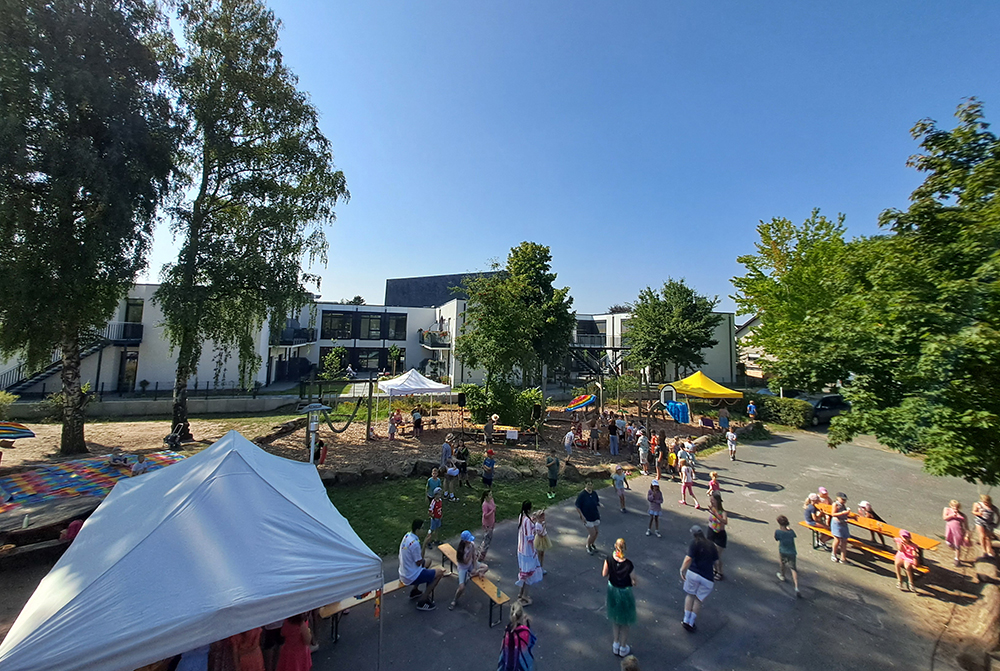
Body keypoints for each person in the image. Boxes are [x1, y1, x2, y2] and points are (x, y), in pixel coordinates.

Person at [679, 525, 719, 632]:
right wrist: (716, 571)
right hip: (707, 577)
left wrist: (682, 570)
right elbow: (716, 561)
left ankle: (685, 619)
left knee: (690, 595)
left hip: (693, 573)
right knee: (698, 599)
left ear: (693, 534)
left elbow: (688, 558)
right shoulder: (711, 545)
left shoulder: (694, 543)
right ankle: (691, 622)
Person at [399, 519, 445, 611]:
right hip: (411, 576)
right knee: (439, 573)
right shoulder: (415, 544)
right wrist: (424, 544)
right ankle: (423, 600)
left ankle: (415, 590)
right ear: (417, 530)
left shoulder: (407, 536)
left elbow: (421, 560)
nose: (424, 530)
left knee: (429, 561)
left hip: (404, 571)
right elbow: (419, 562)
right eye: (422, 528)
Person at [604, 537, 637, 657]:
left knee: (616, 618)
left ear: (615, 546)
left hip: (612, 591)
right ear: (625, 548)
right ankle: (623, 647)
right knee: (625, 621)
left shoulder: (609, 558)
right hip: (625, 593)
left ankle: (615, 644)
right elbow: (634, 581)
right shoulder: (628, 564)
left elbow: (604, 573)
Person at [450, 530, 488, 610]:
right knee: (462, 587)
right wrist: (470, 552)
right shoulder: (462, 550)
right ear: (465, 541)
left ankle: (471, 575)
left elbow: (474, 557)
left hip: (471, 564)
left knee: (485, 567)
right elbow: (466, 561)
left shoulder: (472, 545)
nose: (470, 542)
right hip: (463, 567)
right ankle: (455, 600)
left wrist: (475, 568)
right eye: (468, 540)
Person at [515, 500, 543, 605]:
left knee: (524, 573)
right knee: (528, 575)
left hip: (521, 550)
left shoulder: (521, 516)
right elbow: (529, 537)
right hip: (528, 552)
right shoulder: (527, 521)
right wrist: (537, 527)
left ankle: (520, 593)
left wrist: (533, 519)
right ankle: (524, 596)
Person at [497, 601, 536, 671]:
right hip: (520, 666)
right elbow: (531, 642)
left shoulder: (508, 629)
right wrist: (527, 625)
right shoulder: (524, 631)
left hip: (508, 663)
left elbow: (503, 648)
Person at [774, 515, 801, 597]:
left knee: (782, 563)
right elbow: (794, 536)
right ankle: (796, 587)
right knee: (793, 568)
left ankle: (782, 575)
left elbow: (776, 538)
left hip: (783, 550)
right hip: (792, 551)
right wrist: (789, 529)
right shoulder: (791, 532)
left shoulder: (778, 532)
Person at [576, 480, 601, 554]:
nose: (590, 486)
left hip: (595, 516)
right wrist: (582, 516)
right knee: (592, 533)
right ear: (585, 485)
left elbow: (596, 502)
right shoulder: (582, 495)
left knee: (596, 532)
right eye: (588, 484)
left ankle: (592, 544)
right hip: (587, 517)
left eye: (591, 484)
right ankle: (588, 546)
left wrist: (599, 504)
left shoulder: (594, 493)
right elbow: (577, 506)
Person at [706, 493, 728, 579]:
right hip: (711, 532)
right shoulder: (712, 509)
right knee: (711, 553)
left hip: (720, 534)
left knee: (717, 555)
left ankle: (720, 572)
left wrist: (716, 515)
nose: (711, 502)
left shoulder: (723, 512)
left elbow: (725, 522)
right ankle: (715, 570)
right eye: (710, 500)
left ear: (718, 501)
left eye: (713, 500)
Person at [943, 499, 971, 566]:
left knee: (957, 545)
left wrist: (967, 535)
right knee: (948, 543)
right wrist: (952, 515)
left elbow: (966, 526)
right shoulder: (947, 510)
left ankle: (957, 559)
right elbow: (945, 518)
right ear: (950, 505)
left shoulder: (962, 515)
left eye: (957, 507)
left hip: (958, 531)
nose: (955, 508)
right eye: (953, 506)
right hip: (950, 530)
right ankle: (956, 552)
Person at [972, 494, 998, 558]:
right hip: (980, 521)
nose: (986, 503)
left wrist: (997, 523)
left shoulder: (993, 507)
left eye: (987, 502)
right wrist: (979, 513)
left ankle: (989, 550)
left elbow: (998, 515)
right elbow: (973, 512)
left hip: (989, 523)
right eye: (984, 502)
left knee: (988, 537)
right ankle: (984, 550)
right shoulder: (978, 505)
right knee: (982, 535)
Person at [829, 492, 851, 564]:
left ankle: (843, 558)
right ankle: (834, 554)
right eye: (842, 499)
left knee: (844, 540)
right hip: (837, 524)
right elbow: (833, 514)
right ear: (838, 498)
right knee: (837, 539)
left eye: (845, 500)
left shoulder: (843, 505)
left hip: (843, 523)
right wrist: (843, 513)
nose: (844, 501)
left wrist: (848, 515)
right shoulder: (835, 504)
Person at [480, 489, 497, 561]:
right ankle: (481, 555)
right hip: (487, 524)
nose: (491, 496)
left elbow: (493, 507)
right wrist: (492, 511)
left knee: (488, 539)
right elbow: (485, 516)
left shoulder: (491, 500)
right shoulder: (485, 505)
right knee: (486, 540)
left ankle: (481, 552)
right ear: (486, 497)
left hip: (491, 522)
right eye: (489, 495)